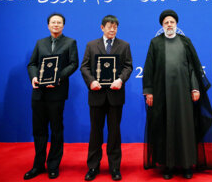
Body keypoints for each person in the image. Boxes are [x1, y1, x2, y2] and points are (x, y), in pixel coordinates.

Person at [142, 9, 212, 180]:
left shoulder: (185, 42)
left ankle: (186, 165)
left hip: (184, 94)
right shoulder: (155, 43)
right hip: (162, 95)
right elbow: (149, 69)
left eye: (172, 22)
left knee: (185, 129)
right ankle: (168, 166)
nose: (169, 25)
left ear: (176, 24)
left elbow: (193, 68)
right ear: (162, 26)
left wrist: (195, 88)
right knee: (165, 129)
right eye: (166, 23)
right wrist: (149, 91)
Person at [25, 13, 79, 180]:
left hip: (57, 93)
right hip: (39, 93)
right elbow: (32, 64)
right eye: (53, 22)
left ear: (63, 25)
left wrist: (57, 78)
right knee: (39, 131)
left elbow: (73, 64)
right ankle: (38, 165)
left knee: (56, 130)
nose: (56, 25)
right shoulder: (40, 43)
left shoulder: (70, 42)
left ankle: (53, 165)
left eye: (59, 22)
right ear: (48, 25)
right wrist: (34, 77)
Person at [80, 15, 132, 181]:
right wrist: (91, 81)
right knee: (95, 132)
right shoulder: (91, 45)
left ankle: (115, 167)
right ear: (102, 28)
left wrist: (121, 80)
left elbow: (128, 66)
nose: (112, 29)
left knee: (114, 132)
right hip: (96, 94)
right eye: (109, 26)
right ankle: (93, 167)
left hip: (115, 95)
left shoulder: (124, 45)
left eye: (115, 27)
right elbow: (84, 66)